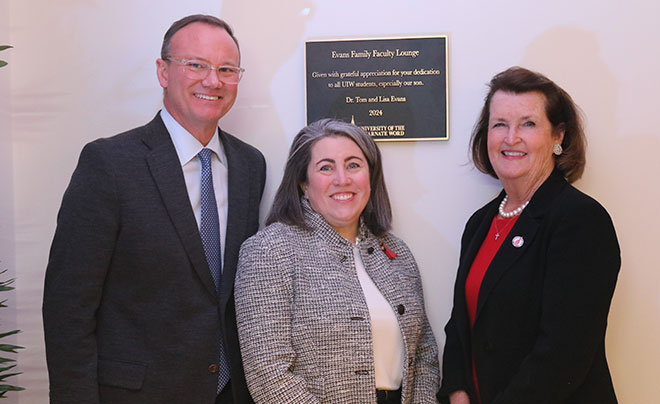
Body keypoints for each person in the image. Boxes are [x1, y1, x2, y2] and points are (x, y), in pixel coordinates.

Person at [42, 14, 265, 404]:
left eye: (226, 69)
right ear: (163, 71)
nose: (213, 80)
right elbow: (68, 308)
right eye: (195, 65)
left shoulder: (250, 165)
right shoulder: (109, 164)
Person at [437, 66, 621, 404]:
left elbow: (563, 355)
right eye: (500, 125)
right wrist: (457, 392)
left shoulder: (579, 220)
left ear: (558, 137)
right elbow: (460, 329)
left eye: (528, 124)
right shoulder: (480, 223)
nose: (511, 138)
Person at [234, 119, 439, 403]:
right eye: (326, 167)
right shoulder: (270, 250)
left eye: (354, 165)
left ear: (370, 176)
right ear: (304, 182)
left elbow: (424, 355)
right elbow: (268, 373)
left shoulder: (396, 252)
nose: (342, 179)